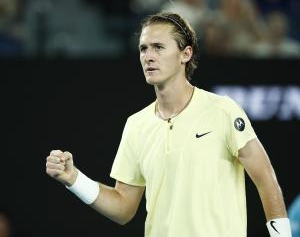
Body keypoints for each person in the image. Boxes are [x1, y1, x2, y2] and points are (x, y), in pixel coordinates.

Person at [46, 12, 292, 237]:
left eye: (158, 47)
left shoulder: (222, 110)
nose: (148, 56)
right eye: (143, 49)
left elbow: (265, 179)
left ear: (186, 54)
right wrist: (74, 179)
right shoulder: (136, 125)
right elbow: (123, 207)